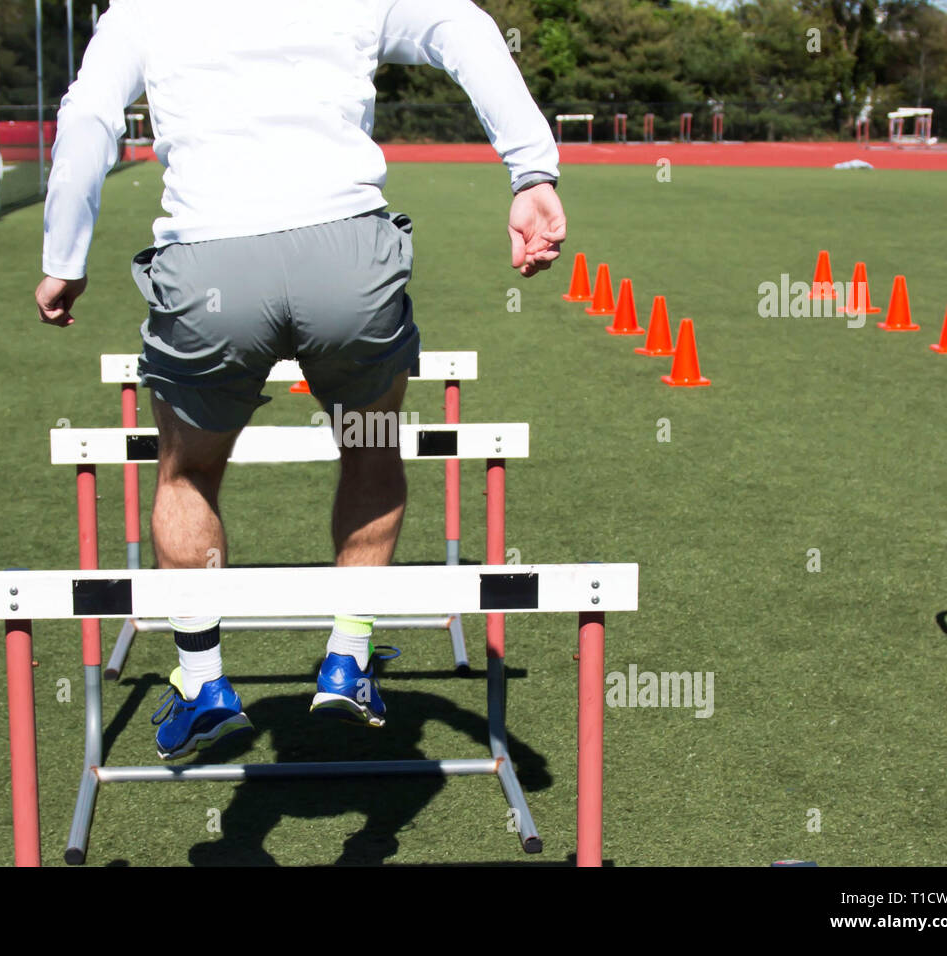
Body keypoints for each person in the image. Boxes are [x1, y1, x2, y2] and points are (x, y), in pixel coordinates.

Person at [35, 0, 566, 760]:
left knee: (186, 475)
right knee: (371, 447)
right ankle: (348, 659)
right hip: (346, 259)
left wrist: (65, 256)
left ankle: (202, 684)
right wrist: (531, 170)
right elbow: (465, 29)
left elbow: (89, 118)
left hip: (212, 266)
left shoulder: (143, 8)